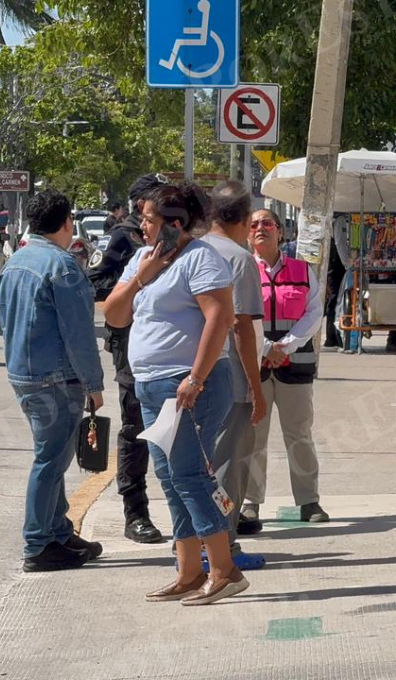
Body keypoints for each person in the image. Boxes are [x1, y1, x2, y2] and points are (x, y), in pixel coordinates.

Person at [103, 182, 249, 605]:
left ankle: (224, 570)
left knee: (188, 475)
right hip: (150, 383)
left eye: (148, 219)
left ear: (175, 223)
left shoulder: (200, 259)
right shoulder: (141, 260)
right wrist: (141, 279)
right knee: (169, 477)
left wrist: (196, 378)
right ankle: (188, 571)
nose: (141, 226)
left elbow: (220, 317)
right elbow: (114, 315)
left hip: (187, 383)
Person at [0, 189, 105, 572]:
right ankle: (39, 543)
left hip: (24, 374)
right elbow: (79, 332)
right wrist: (94, 384)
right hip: (56, 377)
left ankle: (58, 532)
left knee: (54, 457)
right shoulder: (62, 265)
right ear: (66, 223)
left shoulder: (17, 261)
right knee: (50, 460)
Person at [239, 209, 329, 535]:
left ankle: (309, 501)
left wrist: (286, 346)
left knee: (299, 435)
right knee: (253, 438)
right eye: (254, 225)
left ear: (280, 232)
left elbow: (314, 311)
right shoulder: (241, 271)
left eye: (267, 223)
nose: (260, 228)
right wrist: (265, 349)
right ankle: (249, 503)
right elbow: (239, 317)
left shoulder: (303, 270)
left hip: (296, 366)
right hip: (254, 367)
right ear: (247, 235)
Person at [94, 174, 170, 544]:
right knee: (136, 428)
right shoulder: (124, 236)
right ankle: (135, 511)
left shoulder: (178, 240)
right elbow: (96, 281)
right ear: (140, 206)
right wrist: (133, 284)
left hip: (168, 350)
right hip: (130, 343)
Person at [201, 181, 267, 562]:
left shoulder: (190, 252)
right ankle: (222, 544)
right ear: (243, 220)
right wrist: (257, 390)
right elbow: (243, 328)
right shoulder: (238, 259)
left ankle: (194, 546)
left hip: (193, 373)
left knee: (197, 466)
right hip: (230, 379)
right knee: (228, 466)